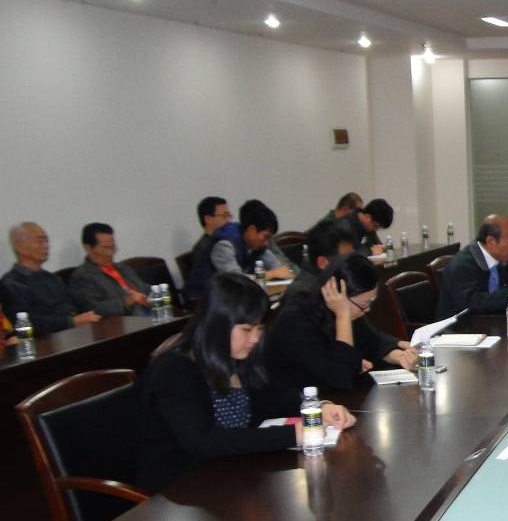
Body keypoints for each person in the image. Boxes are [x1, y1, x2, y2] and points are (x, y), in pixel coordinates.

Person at [136, 273, 357, 492]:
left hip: (230, 474)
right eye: (247, 330)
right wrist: (293, 434)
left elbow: (277, 395)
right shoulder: (174, 369)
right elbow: (202, 440)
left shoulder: (238, 358)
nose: (255, 338)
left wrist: (320, 408)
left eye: (259, 328)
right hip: (178, 488)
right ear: (218, 324)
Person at [265, 253, 417, 393]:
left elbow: (373, 341)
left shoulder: (344, 307)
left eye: (372, 301)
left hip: (331, 399)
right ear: (338, 295)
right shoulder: (296, 319)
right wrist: (342, 315)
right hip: (295, 403)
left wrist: (398, 356)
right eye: (364, 304)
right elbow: (341, 377)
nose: (368, 309)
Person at [1, 222, 100, 334]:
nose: (46, 246)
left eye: (46, 241)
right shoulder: (11, 283)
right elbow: (27, 323)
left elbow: (71, 305)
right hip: (46, 340)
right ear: (20, 247)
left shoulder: (50, 277)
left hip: (73, 332)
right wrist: (71, 321)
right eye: (40, 241)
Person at [436, 216, 508, 318]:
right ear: (491, 241)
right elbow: (474, 303)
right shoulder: (461, 266)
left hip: (489, 319)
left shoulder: (502, 259)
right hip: (459, 324)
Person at [67, 223, 151, 316]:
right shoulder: (82, 277)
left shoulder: (123, 268)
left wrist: (154, 297)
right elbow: (94, 309)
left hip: (149, 312)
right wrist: (126, 301)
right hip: (127, 319)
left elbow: (146, 289)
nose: (110, 254)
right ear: (88, 248)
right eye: (105, 248)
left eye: (113, 247)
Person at [210, 200, 293, 280]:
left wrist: (279, 273)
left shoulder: (257, 247)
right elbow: (236, 280)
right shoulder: (224, 245)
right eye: (265, 236)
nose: (266, 243)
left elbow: (282, 271)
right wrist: (270, 274)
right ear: (251, 230)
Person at [183, 196, 233, 305]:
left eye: (229, 216)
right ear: (208, 219)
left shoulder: (223, 242)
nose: (229, 221)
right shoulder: (204, 249)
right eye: (224, 216)